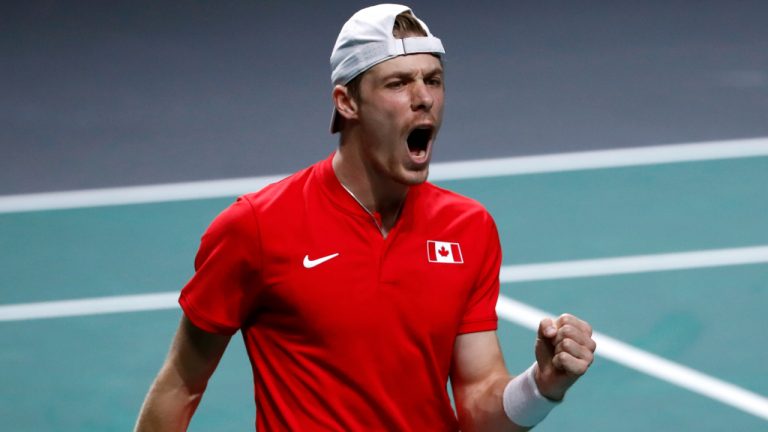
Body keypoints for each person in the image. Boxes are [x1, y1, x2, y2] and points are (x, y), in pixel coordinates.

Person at [134, 4, 596, 431]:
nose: (424, 99)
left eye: (433, 80)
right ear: (346, 102)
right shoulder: (255, 227)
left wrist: (543, 384)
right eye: (398, 83)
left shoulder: (469, 228)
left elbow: (478, 400)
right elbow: (181, 384)